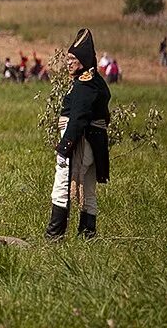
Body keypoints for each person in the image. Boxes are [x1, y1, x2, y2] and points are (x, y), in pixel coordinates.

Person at [45, 28, 111, 240]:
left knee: (61, 186)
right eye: (67, 58)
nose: (68, 62)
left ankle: (55, 235)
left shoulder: (85, 83)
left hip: (79, 144)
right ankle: (87, 235)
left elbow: (79, 118)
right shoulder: (96, 81)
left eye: (72, 58)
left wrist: (64, 148)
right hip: (93, 143)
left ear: (83, 60)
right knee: (89, 190)